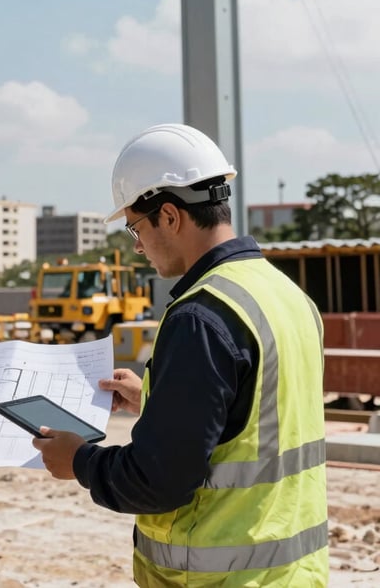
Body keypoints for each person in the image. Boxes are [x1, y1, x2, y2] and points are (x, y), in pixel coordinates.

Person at [33, 123, 328, 586]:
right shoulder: (288, 295)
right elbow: (256, 422)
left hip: (221, 577)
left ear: (169, 216)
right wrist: (155, 398)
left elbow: (159, 480)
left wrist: (80, 461)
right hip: (293, 571)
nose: (136, 245)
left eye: (135, 227)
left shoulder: (201, 316)